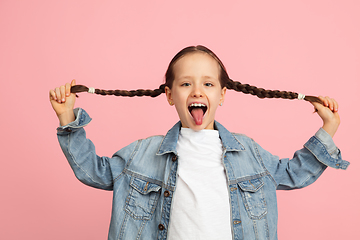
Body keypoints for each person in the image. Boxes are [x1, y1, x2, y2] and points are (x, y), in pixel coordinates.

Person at [50, 45, 349, 240]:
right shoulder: (142, 153)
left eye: (208, 83)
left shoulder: (250, 154)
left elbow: (293, 174)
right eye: (185, 83)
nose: (197, 91)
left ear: (222, 94)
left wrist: (328, 128)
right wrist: (67, 119)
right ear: (169, 95)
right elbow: (94, 172)